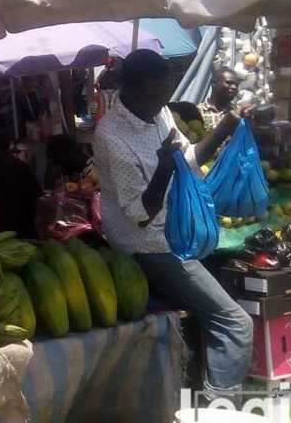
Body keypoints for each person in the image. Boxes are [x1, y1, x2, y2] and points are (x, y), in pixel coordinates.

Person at [93, 49, 251, 400]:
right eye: (154, 96)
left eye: (165, 95)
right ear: (130, 91)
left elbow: (190, 160)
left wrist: (228, 125)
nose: (161, 103)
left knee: (216, 306)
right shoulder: (110, 136)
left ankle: (206, 396)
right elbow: (140, 214)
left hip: (175, 231)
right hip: (147, 245)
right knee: (237, 322)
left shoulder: (160, 112)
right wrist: (165, 168)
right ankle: (219, 413)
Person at [0, 137, 40, 238]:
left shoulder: (8, 170)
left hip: (22, 229)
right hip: (22, 224)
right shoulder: (7, 166)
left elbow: (9, 208)